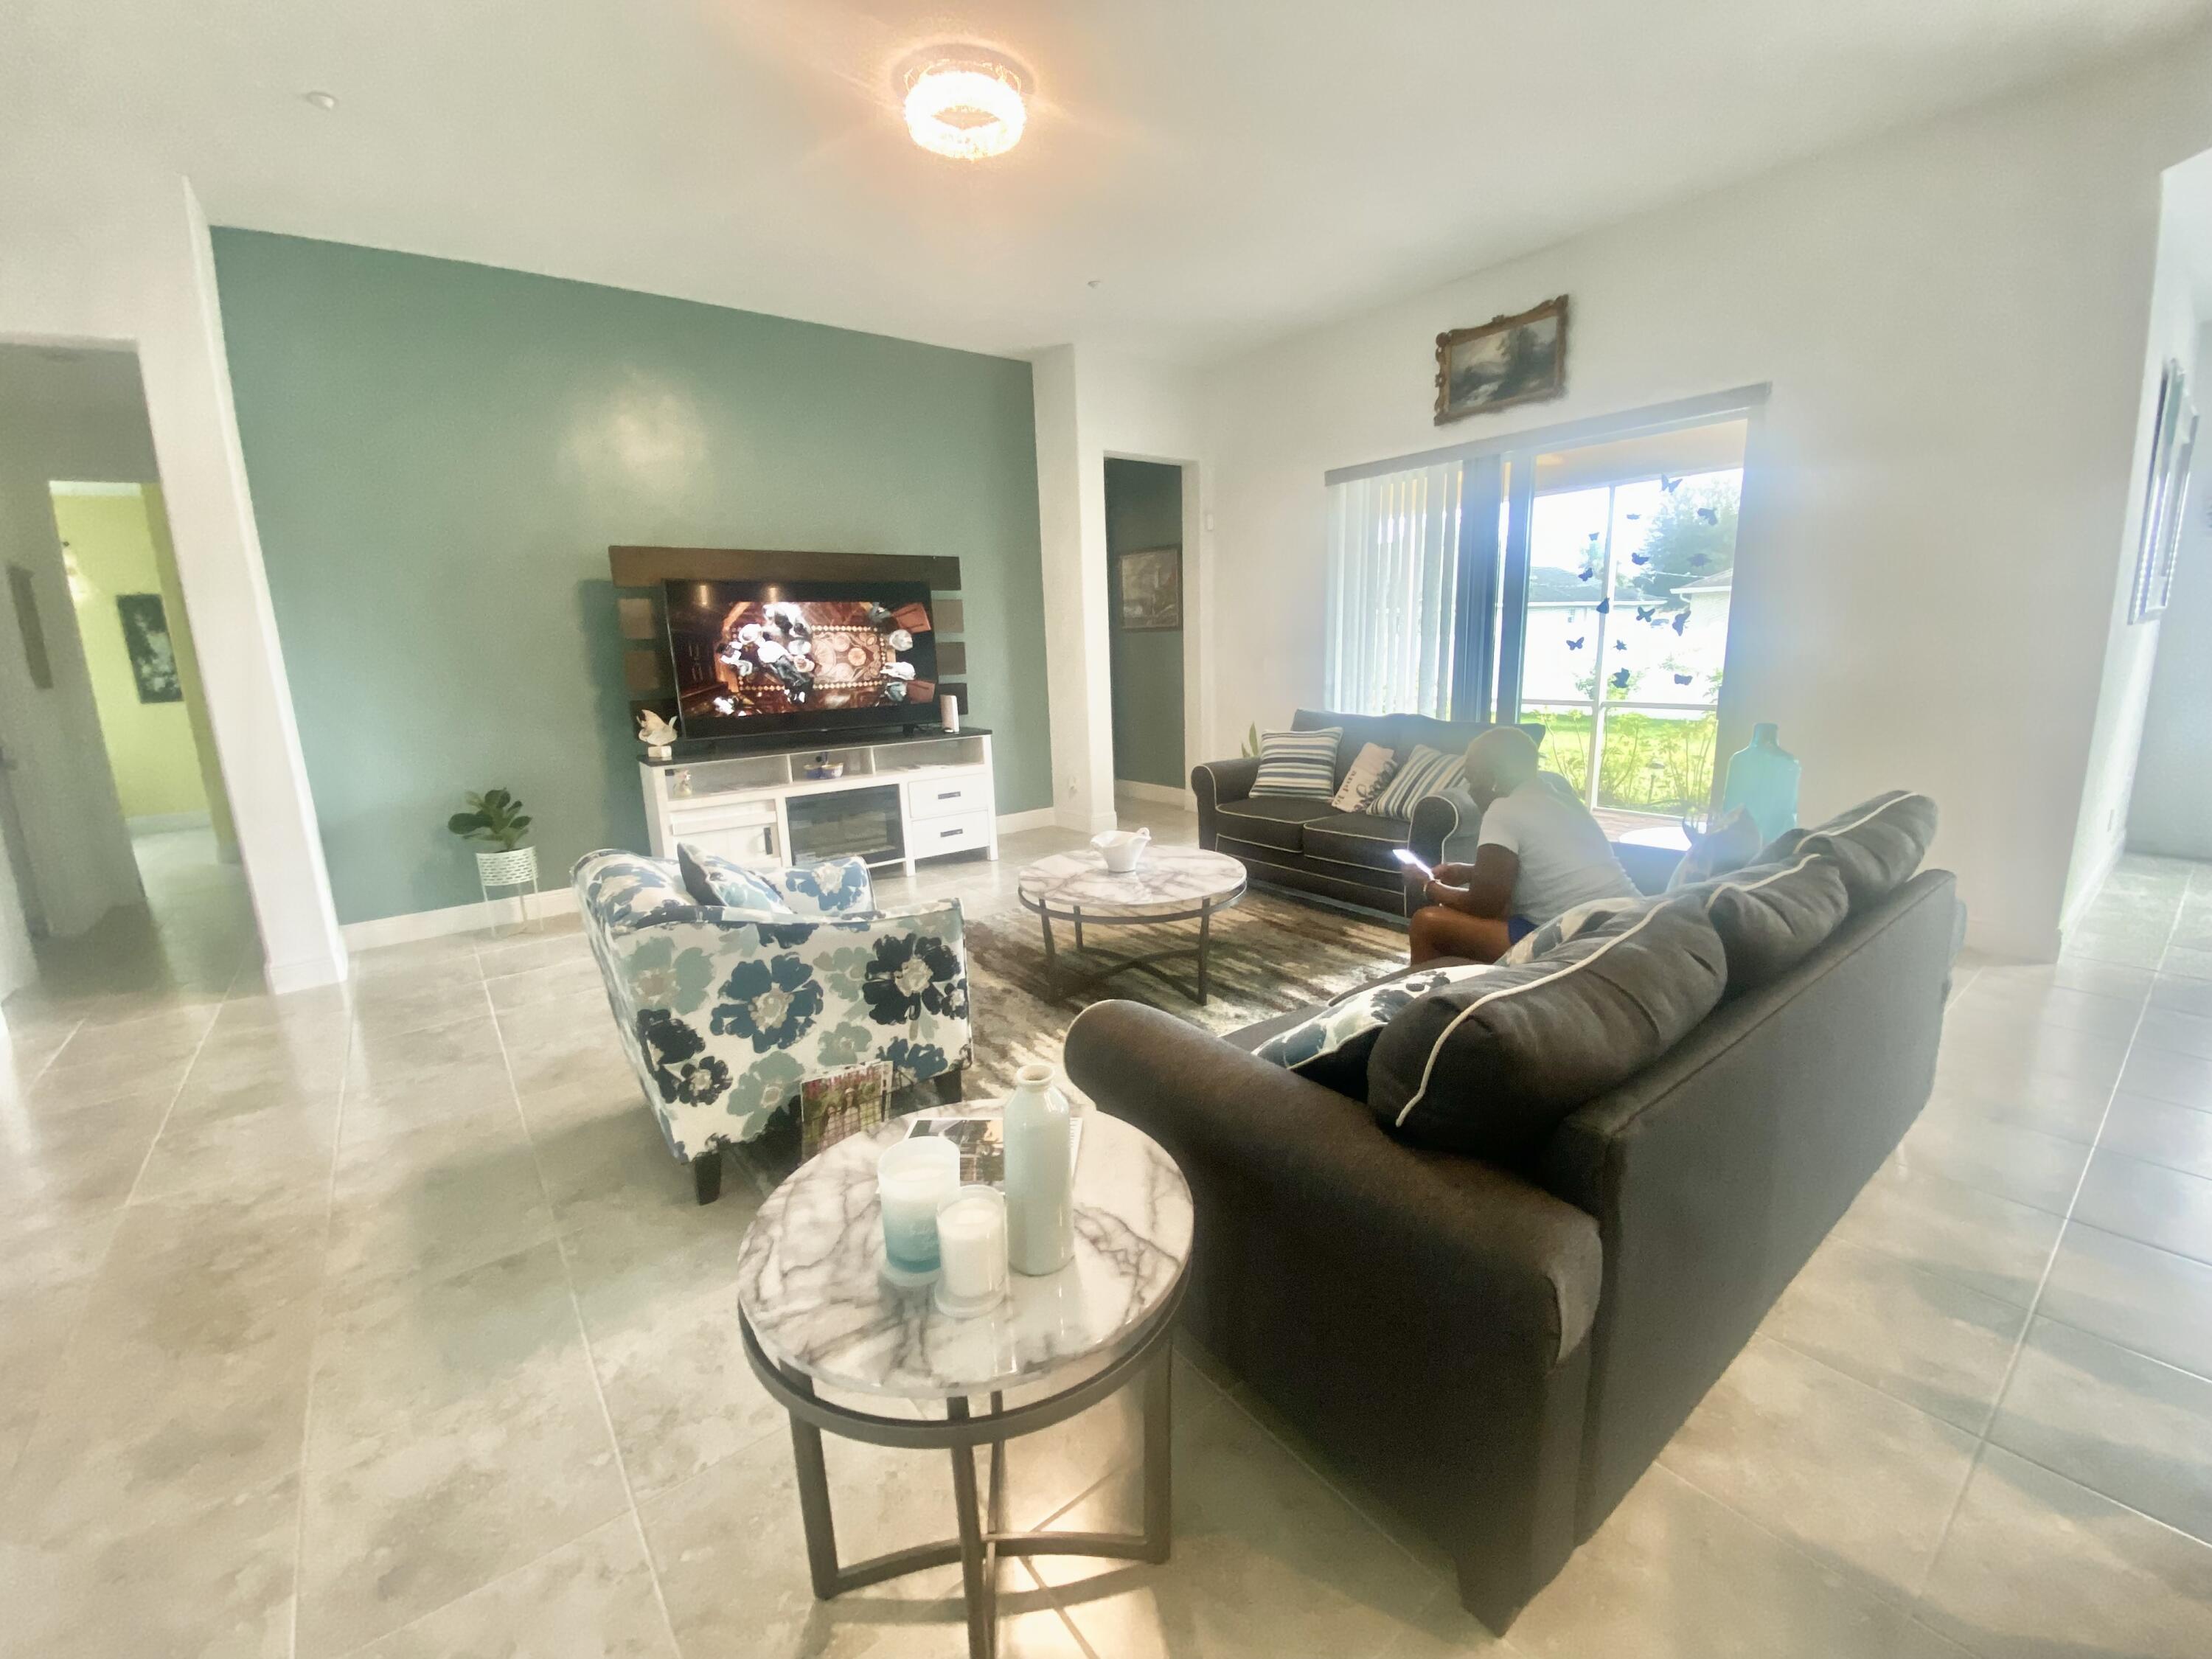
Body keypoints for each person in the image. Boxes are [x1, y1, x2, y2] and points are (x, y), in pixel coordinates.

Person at [1408, 726, 1638, 964]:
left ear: (1493, 777)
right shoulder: (1563, 799)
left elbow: (1485, 905)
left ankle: (1424, 998)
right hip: (1627, 919)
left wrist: (1429, 887)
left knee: (1427, 923)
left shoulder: (1503, 810)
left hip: (1578, 936)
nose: (1469, 788)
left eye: (1473, 777)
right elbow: (1539, 866)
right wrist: (1465, 871)